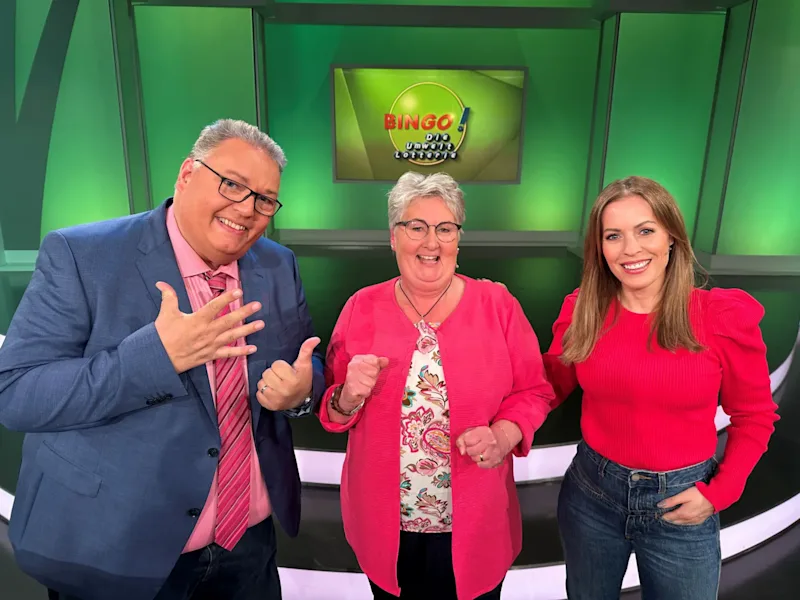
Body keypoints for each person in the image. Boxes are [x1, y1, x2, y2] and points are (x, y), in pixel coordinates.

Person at [0, 119, 325, 600]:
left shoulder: (278, 263)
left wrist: (302, 391)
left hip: (247, 545)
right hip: (118, 548)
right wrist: (156, 357)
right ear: (187, 174)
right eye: (232, 184)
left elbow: (306, 362)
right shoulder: (82, 255)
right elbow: (17, 394)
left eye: (264, 199)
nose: (246, 208)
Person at [317, 171, 555, 599]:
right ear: (393, 237)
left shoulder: (498, 305)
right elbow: (332, 412)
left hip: (475, 524)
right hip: (385, 526)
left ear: (458, 240)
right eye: (416, 227)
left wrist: (503, 435)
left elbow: (534, 391)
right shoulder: (360, 306)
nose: (432, 242)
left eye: (445, 229)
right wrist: (347, 396)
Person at [543, 176, 779, 599]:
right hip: (591, 496)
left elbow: (755, 416)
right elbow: (546, 386)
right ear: (600, 248)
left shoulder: (720, 318)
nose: (630, 249)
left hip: (681, 503)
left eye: (645, 230)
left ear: (671, 236)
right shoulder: (582, 311)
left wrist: (721, 492)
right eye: (613, 236)